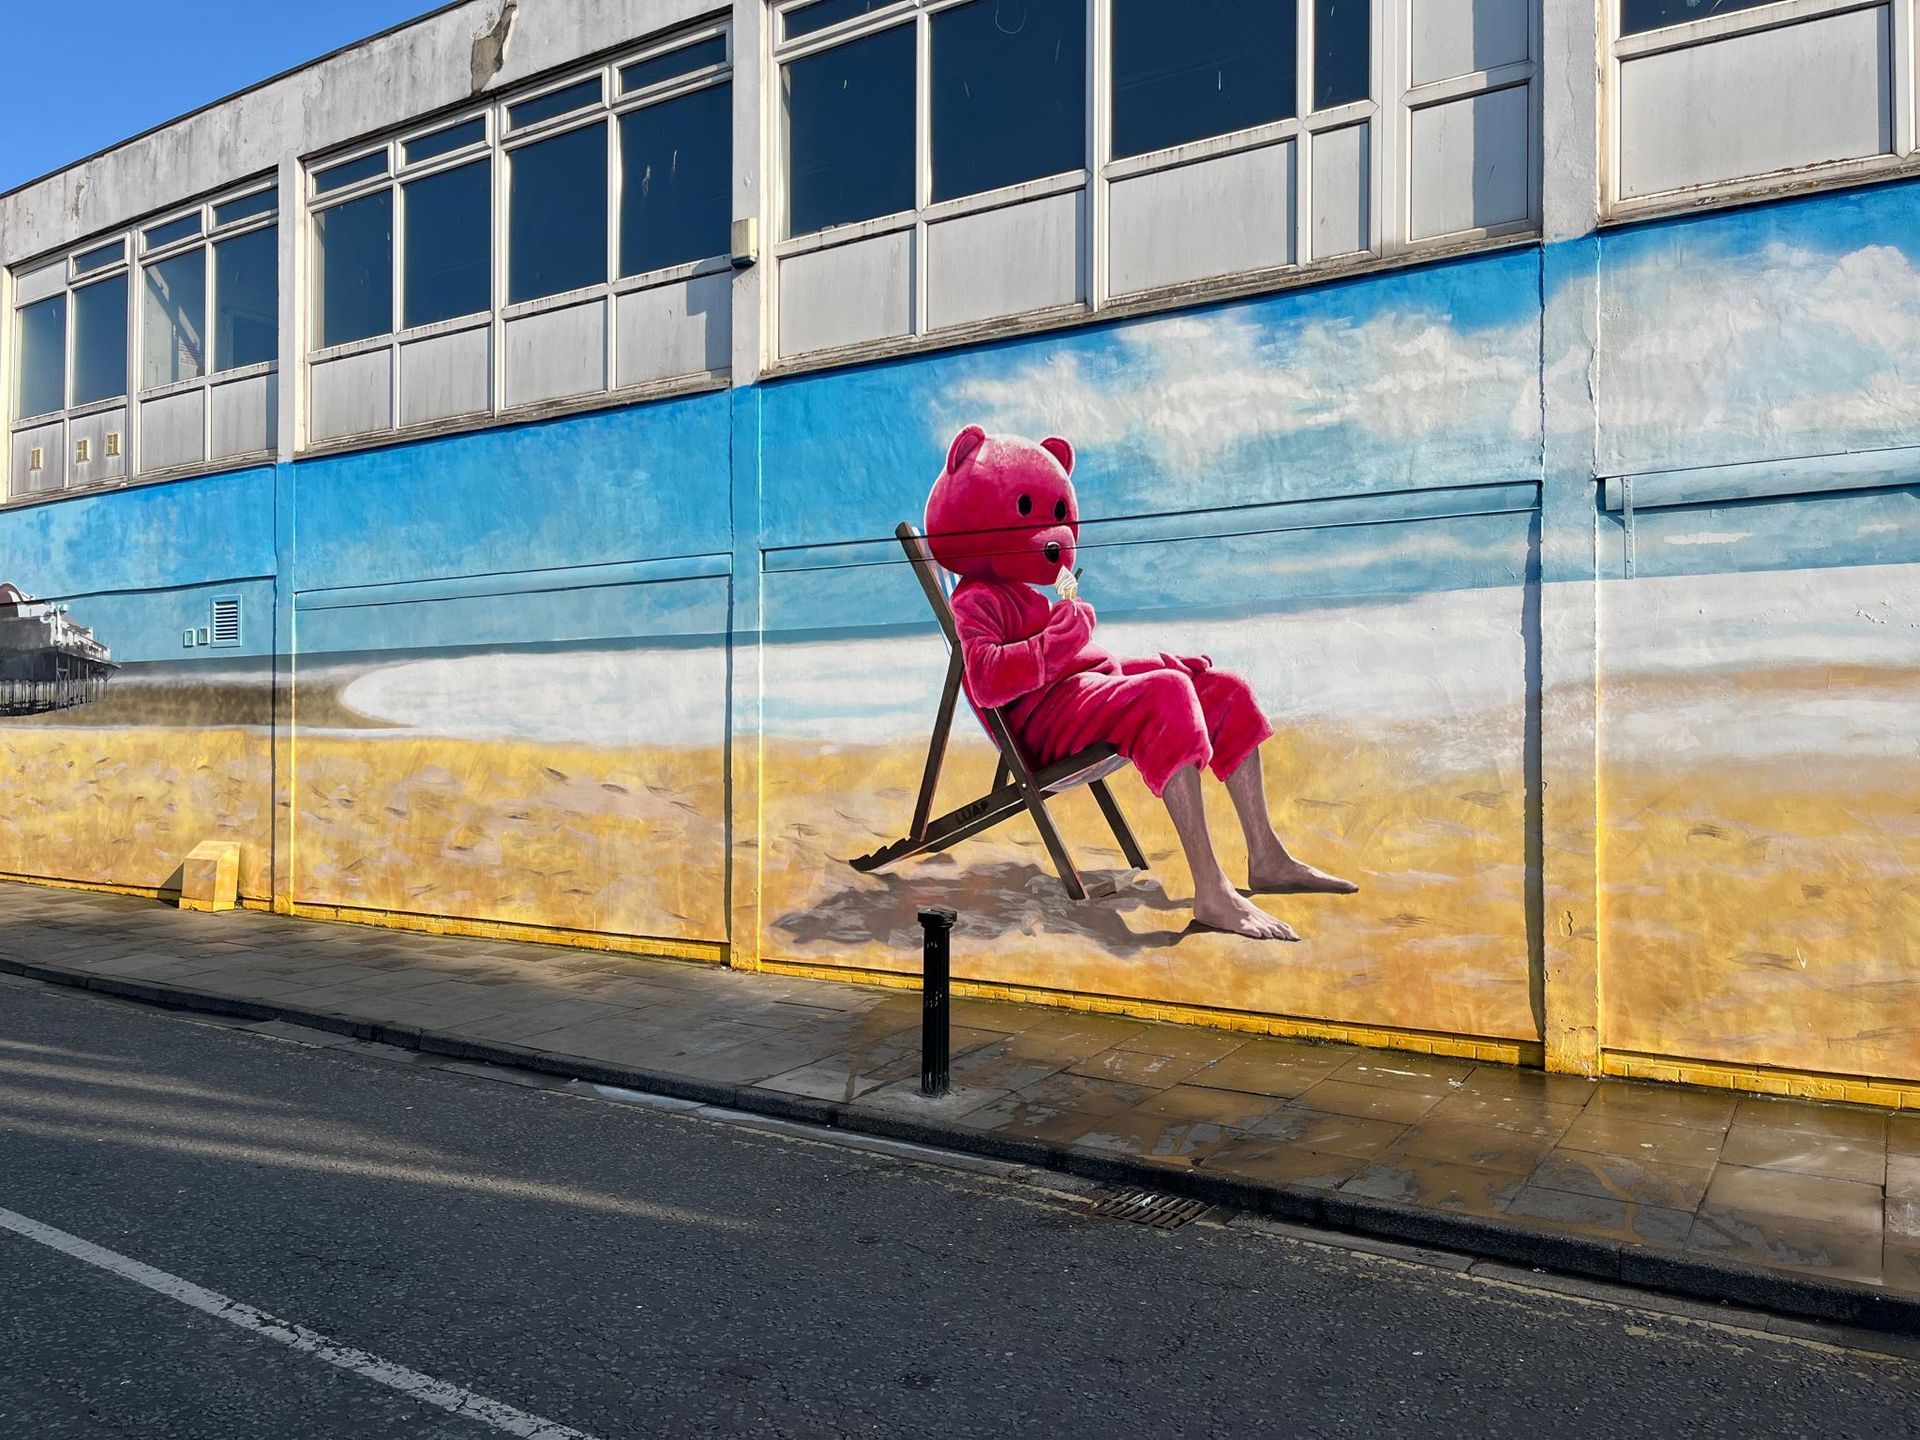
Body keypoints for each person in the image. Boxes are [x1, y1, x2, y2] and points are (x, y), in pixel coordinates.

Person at [927, 425, 1358, 940]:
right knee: (1167, 695)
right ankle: (1212, 891)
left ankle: (1266, 855)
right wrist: (1055, 644)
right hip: (1043, 729)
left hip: (1080, 699)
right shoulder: (977, 599)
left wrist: (1158, 663)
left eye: (1058, 517)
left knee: (1223, 687)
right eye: (1030, 512)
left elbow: (1091, 666)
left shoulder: (1035, 596)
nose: (1055, 535)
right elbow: (989, 680)